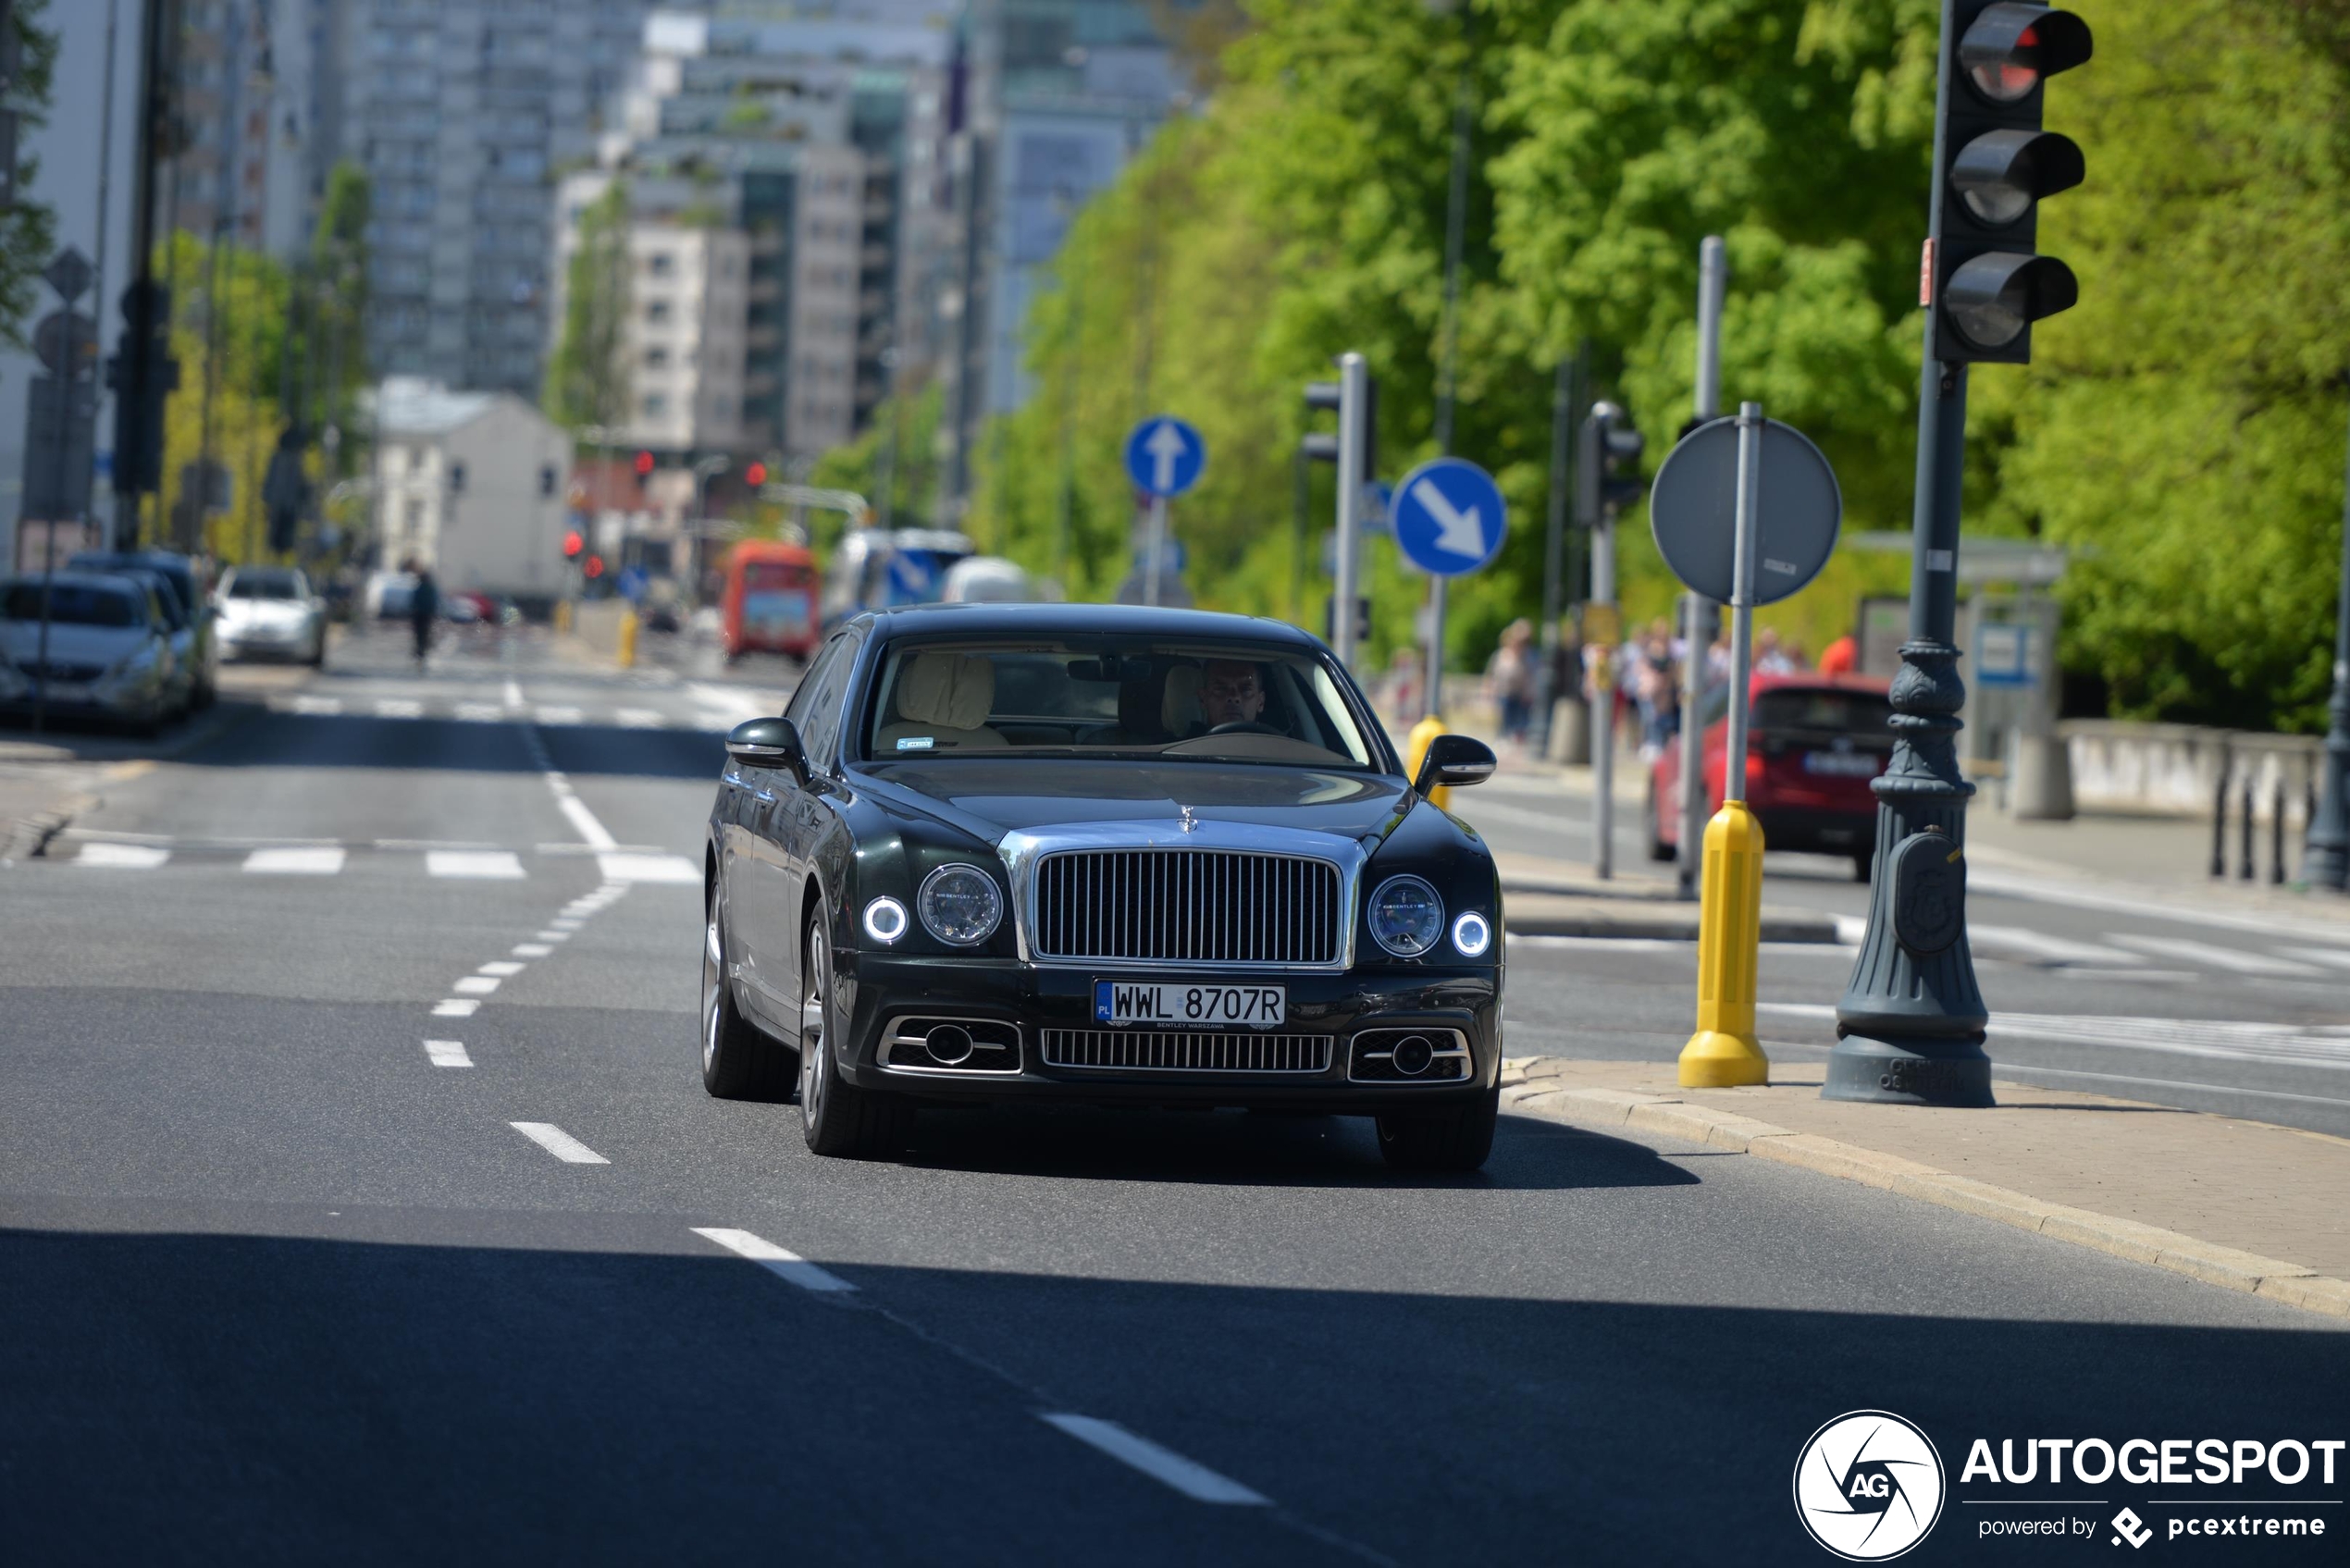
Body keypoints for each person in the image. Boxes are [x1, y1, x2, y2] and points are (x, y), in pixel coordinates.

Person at [1484, 618, 1536, 747]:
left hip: (1520, 692)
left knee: (1520, 723)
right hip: (1504, 691)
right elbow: (1492, 674)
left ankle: (1516, 743)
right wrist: (1489, 690)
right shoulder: (1501, 655)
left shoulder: (1527, 656)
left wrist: (1529, 692)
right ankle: (1504, 740)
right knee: (1504, 720)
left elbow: (1530, 676)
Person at [1198, 659, 1268, 731]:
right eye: (1221, 689)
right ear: (1203, 699)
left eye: (1245, 689)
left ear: (1260, 702)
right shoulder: (1189, 742)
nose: (1234, 697)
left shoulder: (1275, 741)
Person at [407, 560, 440, 667]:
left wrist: (412, 610)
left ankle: (420, 651)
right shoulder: (431, 588)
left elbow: (414, 600)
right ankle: (423, 650)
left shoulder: (419, 588)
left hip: (419, 614)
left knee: (419, 634)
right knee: (425, 633)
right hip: (427, 615)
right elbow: (434, 601)